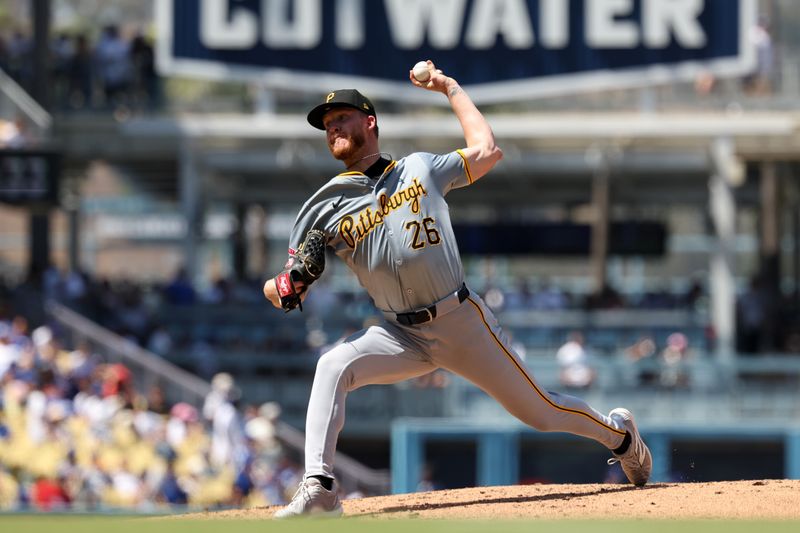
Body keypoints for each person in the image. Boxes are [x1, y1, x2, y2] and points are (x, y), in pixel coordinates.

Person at [263, 61, 652, 518]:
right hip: (399, 334)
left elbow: (487, 149)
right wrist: (288, 282)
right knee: (332, 364)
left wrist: (448, 87)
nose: (333, 129)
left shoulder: (419, 168)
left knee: (542, 412)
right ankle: (321, 488)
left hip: (460, 321)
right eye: (327, 126)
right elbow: (281, 291)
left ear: (369, 121)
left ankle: (621, 436)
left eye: (341, 118)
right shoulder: (322, 204)